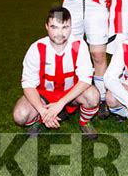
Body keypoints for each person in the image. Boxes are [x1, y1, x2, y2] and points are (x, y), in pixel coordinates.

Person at [12, 7, 99, 139]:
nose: (60, 33)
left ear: (71, 27)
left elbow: (85, 80)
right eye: (54, 27)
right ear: (46, 26)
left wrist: (60, 104)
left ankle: (84, 122)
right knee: (20, 115)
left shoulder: (79, 45)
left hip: (71, 93)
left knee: (93, 96)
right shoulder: (37, 48)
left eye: (65, 27)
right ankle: (39, 120)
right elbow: (28, 84)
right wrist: (43, 112)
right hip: (44, 95)